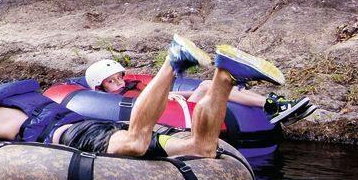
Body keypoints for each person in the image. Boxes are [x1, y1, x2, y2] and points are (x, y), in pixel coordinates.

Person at [0, 36, 286, 180]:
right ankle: (224, 75)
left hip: (77, 137)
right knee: (202, 148)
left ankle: (173, 63)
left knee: (136, 142)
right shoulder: (29, 97)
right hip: (91, 128)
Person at [82, 56, 314, 125]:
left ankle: (272, 105)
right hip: (174, 119)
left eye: (119, 78)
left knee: (205, 86)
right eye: (111, 82)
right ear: (99, 87)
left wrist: (171, 96)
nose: (119, 84)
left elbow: (158, 96)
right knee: (205, 86)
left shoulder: (134, 87)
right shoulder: (110, 101)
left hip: (176, 108)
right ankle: (271, 105)